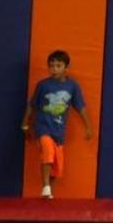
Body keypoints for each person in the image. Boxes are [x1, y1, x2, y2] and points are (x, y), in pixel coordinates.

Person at [21, 49, 94, 199]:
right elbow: (32, 105)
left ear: (66, 68)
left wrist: (88, 126)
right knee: (47, 152)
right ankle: (46, 186)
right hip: (43, 127)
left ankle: (48, 192)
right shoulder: (43, 85)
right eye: (51, 65)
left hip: (59, 131)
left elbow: (80, 106)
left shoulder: (72, 86)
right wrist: (25, 124)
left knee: (57, 166)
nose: (54, 69)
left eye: (58, 66)